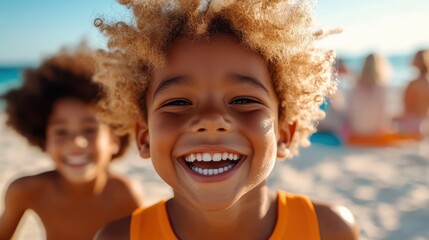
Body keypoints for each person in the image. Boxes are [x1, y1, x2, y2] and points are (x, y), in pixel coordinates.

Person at [93, 0, 359, 239]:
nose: (210, 120)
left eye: (243, 101)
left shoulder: (330, 231)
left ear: (284, 133)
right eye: (178, 103)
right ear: (144, 137)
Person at [0, 44, 142, 240]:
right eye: (61, 132)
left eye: (89, 129)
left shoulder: (125, 194)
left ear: (115, 138)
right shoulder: (25, 190)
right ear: (44, 138)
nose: (76, 142)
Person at [395, 49, 429, 135]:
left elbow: (407, 109)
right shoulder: (426, 83)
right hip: (424, 123)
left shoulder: (413, 85)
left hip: (411, 125)